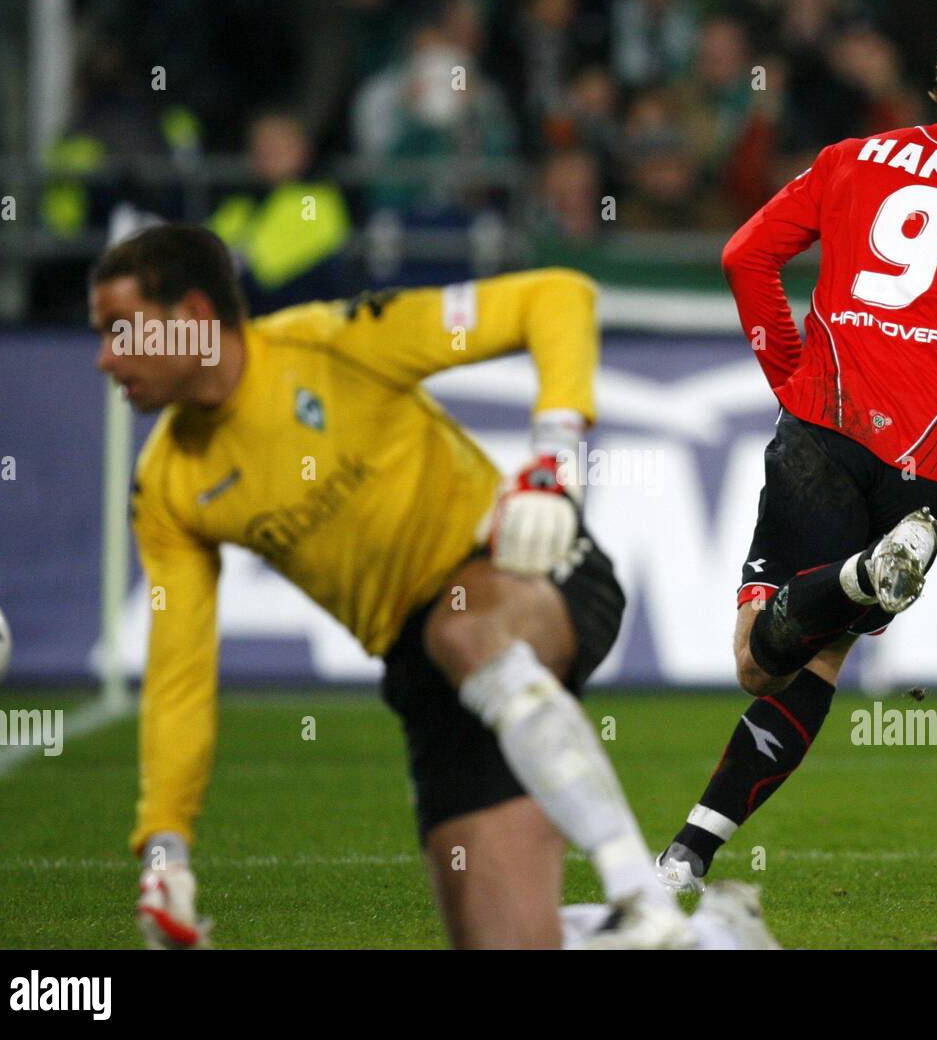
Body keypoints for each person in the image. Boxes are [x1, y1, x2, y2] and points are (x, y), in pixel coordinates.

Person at [90, 223, 691, 948]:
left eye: (122, 330)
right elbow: (178, 678)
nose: (105, 357)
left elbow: (557, 296)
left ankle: (641, 896)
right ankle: (715, 939)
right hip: (425, 677)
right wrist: (166, 848)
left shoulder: (333, 341)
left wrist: (554, 466)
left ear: (189, 318)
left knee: (461, 627)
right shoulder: (168, 487)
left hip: (528, 569)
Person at [656, 3, 937, 891]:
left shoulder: (853, 159)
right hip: (933, 470)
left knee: (754, 661)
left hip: (828, 424)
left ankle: (848, 582)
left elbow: (744, 257)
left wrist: (789, 375)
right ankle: (689, 856)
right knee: (820, 659)